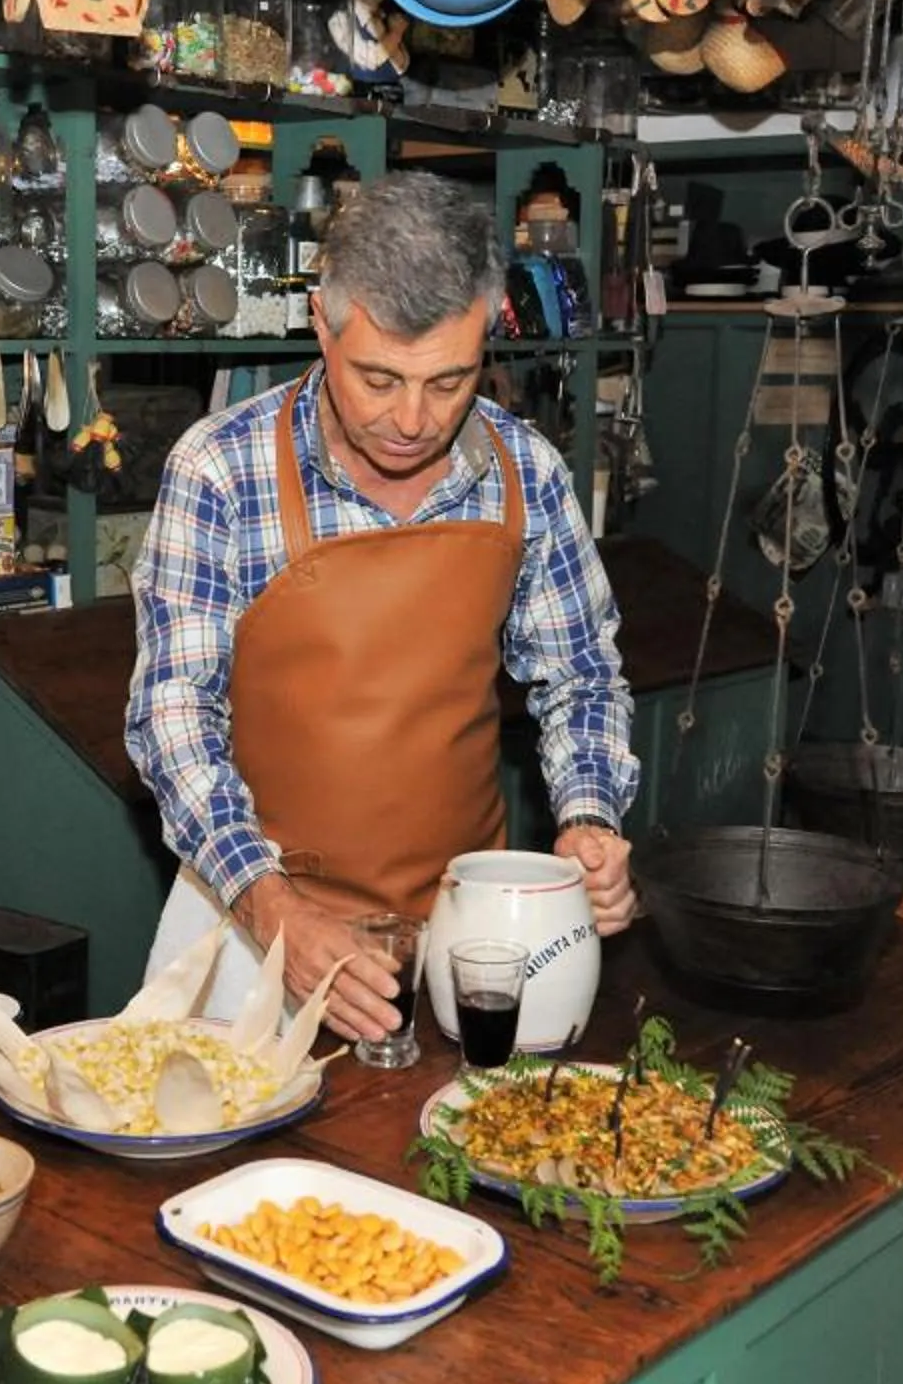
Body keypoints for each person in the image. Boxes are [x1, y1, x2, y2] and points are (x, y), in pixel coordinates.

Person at [126, 170, 637, 1041]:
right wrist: (271, 906)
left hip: (471, 941)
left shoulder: (528, 474)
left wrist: (589, 818)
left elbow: (582, 677)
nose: (411, 419)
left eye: (449, 381)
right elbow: (171, 715)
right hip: (249, 936)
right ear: (321, 325)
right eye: (378, 378)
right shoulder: (222, 468)